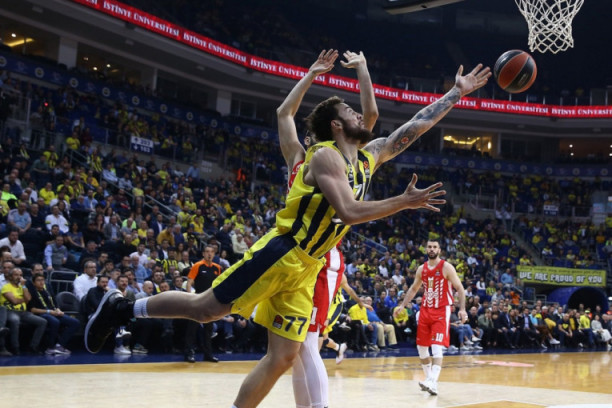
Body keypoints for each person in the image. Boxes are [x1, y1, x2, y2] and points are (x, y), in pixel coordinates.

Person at [85, 56, 490, 408]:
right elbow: (348, 211)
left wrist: (456, 93)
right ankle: (124, 308)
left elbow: (416, 125)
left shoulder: (369, 156)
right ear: (337, 125)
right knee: (206, 309)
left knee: (283, 357)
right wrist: (403, 201)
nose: (361, 115)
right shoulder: (324, 156)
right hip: (283, 251)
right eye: (350, 112)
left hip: (308, 267)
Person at [277, 49, 379, 408]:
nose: (311, 141)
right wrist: (311, 74)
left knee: (306, 343)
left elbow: (369, 117)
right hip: (293, 255)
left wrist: (362, 69)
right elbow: (284, 113)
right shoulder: (299, 160)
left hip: (322, 255)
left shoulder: (338, 156)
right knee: (292, 352)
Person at [394, 239, 468, 396]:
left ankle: (432, 381)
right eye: (429, 247)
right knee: (421, 348)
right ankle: (430, 381)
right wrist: (402, 305)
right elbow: (414, 289)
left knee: (436, 346)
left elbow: (460, 288)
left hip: (441, 310)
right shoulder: (422, 269)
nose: (432, 249)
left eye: (435, 247)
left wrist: (462, 309)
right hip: (425, 310)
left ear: (439, 250)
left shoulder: (446, 267)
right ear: (426, 249)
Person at [184, 245, 222, 363]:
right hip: (198, 300)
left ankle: (208, 354)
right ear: (203, 254)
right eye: (207, 252)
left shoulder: (217, 268)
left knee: (208, 329)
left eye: (211, 252)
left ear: (214, 254)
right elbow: (189, 283)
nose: (209, 254)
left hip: (210, 301)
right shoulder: (197, 266)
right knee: (192, 328)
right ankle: (189, 353)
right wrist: (189, 297)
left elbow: (218, 284)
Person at [27, 272, 81, 355]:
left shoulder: (47, 290)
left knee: (75, 322)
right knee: (55, 321)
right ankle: (50, 347)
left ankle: (59, 345)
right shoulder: (31, 292)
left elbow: (55, 303)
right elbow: (32, 310)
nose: (41, 282)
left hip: (53, 312)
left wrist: (58, 310)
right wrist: (49, 311)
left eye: (42, 280)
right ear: (34, 283)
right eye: (38, 280)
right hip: (41, 313)